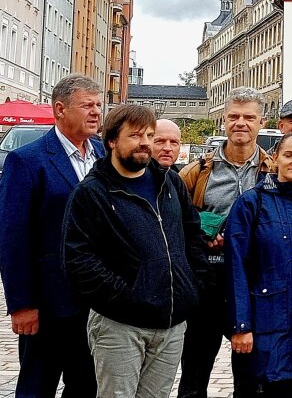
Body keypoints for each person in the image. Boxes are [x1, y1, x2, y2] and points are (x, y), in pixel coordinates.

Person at [62, 104, 207, 397]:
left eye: (149, 135)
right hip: (120, 326)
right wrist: (127, 298)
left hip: (170, 324)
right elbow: (79, 260)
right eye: (135, 135)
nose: (145, 142)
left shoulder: (169, 182)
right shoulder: (92, 192)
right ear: (112, 140)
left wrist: (191, 287)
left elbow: (192, 235)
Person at [0, 74, 103, 397]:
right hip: (48, 303)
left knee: (87, 384)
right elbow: (12, 238)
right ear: (60, 109)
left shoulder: (103, 154)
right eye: (87, 105)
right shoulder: (28, 161)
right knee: (37, 385)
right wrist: (22, 304)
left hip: (97, 301)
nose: (96, 112)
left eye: (99, 105)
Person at [178, 87, 274, 398]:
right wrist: (202, 237)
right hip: (207, 279)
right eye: (234, 117)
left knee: (249, 378)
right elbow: (176, 222)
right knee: (194, 372)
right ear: (224, 120)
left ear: (261, 122)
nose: (241, 123)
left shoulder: (273, 171)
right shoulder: (197, 171)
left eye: (249, 117)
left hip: (252, 283)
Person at [225, 132, 292, 397]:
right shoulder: (251, 203)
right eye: (289, 155)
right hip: (266, 324)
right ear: (275, 158)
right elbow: (236, 267)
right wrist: (241, 326)